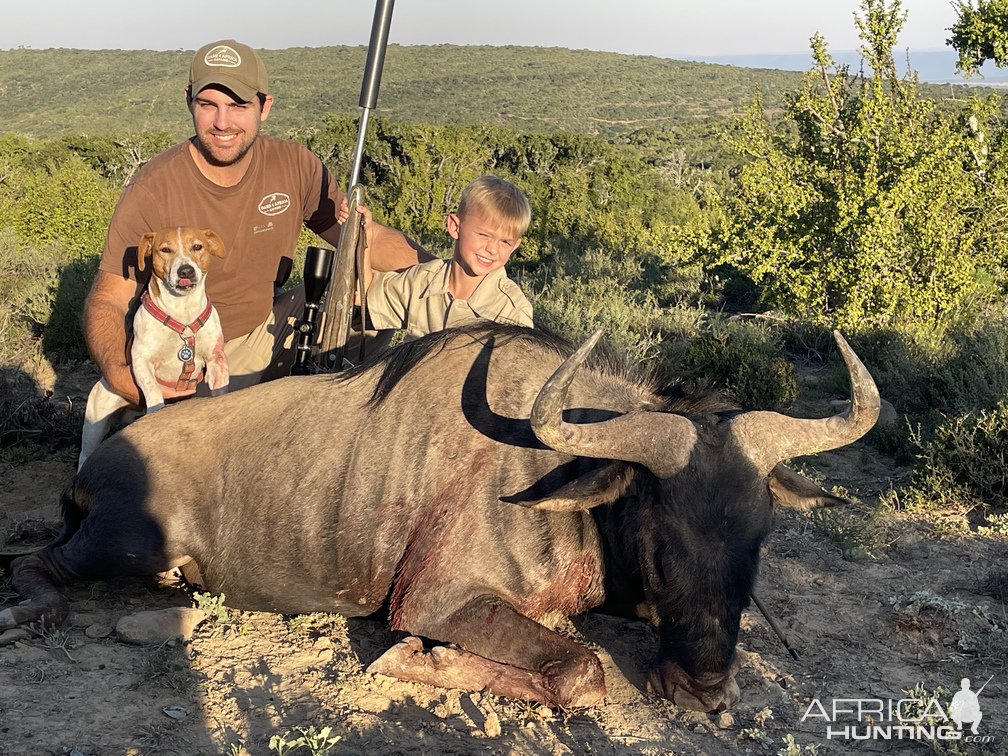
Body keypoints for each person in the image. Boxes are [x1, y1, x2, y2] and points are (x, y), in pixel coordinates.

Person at [85, 39, 428, 403]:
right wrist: (122, 376)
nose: (222, 122)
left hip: (272, 324)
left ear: (264, 107)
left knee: (381, 287)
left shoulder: (295, 164)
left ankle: (334, 406)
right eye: (208, 105)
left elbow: (360, 238)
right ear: (189, 101)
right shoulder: (153, 186)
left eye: (238, 106)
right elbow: (108, 300)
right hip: (197, 350)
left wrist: (451, 275)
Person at [360, 175, 534, 342]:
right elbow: (365, 295)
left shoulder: (511, 312)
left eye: (505, 242)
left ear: (515, 245)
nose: (492, 249)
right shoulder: (423, 279)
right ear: (454, 226)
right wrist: (364, 235)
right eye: (484, 235)